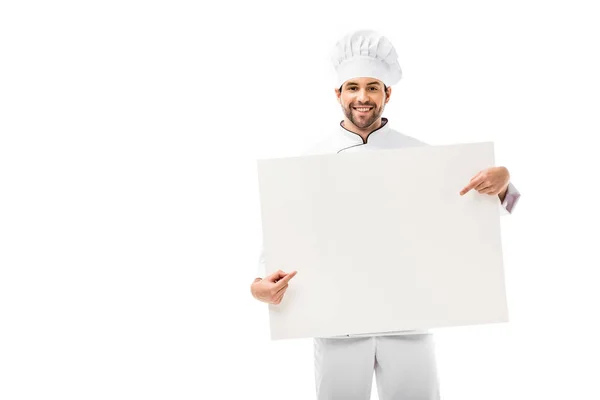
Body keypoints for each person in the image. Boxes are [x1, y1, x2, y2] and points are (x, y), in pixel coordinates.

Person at [250, 29, 521, 400]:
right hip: (335, 323)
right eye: (353, 87)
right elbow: (282, 238)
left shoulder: (424, 158)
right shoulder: (308, 162)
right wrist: (258, 286)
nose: (362, 97)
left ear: (387, 93)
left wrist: (505, 184)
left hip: (408, 321)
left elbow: (484, 215)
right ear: (338, 93)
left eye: (373, 87)